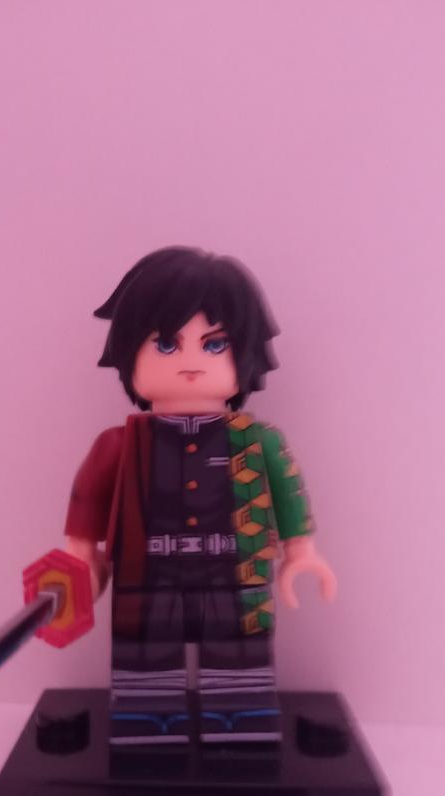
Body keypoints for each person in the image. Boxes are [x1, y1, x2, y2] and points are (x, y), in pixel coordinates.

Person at [64, 247, 336, 745]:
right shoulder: (118, 445)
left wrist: (301, 552)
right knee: (146, 671)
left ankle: (239, 723)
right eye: (166, 344)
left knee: (238, 667)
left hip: (236, 575)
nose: (190, 363)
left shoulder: (258, 442)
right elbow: (87, 508)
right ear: (129, 355)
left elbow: (289, 492)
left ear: (245, 354)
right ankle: (148, 726)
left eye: (215, 345)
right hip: (145, 576)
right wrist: (79, 561)